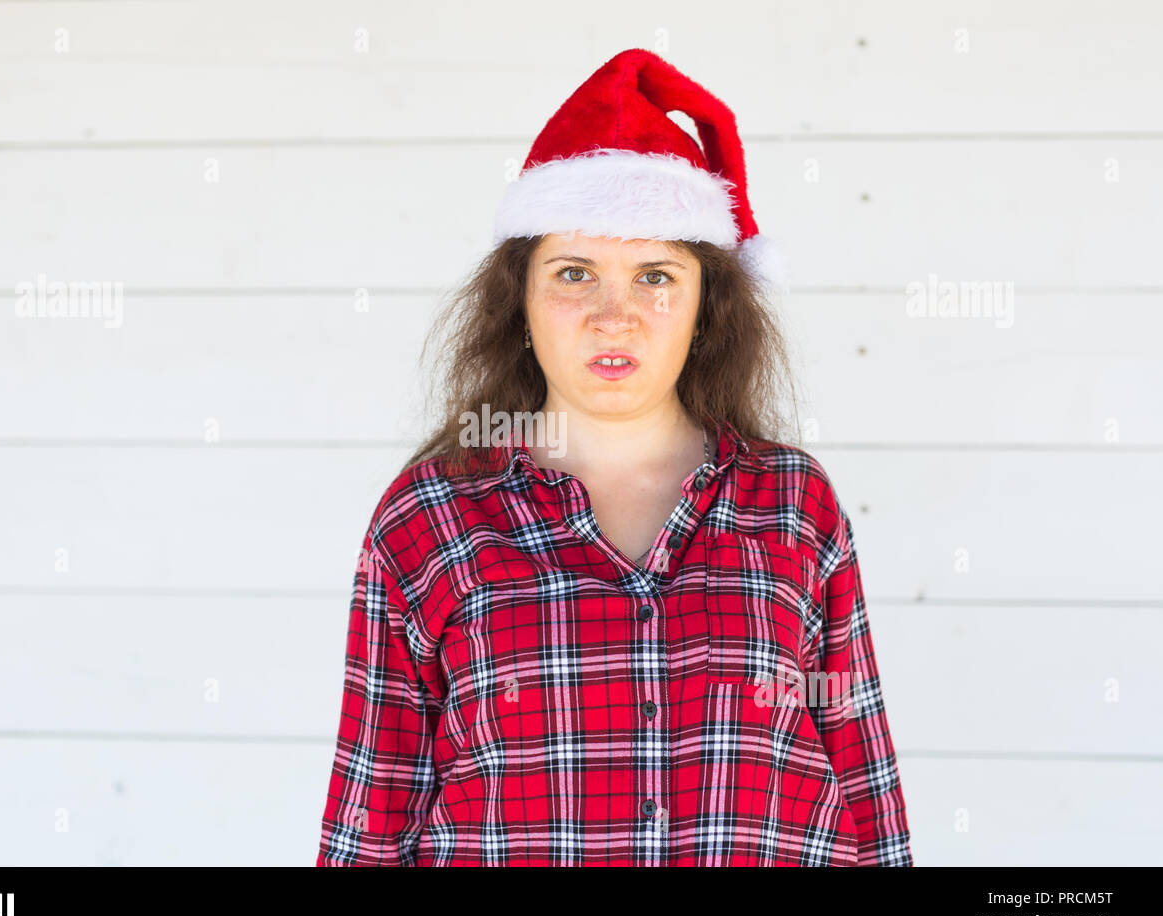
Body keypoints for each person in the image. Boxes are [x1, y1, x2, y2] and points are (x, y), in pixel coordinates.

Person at [316, 48, 913, 866]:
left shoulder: (792, 503)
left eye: (656, 276)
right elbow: (371, 810)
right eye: (573, 273)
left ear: (708, 307)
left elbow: (863, 781)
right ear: (518, 300)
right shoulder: (430, 517)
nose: (614, 315)